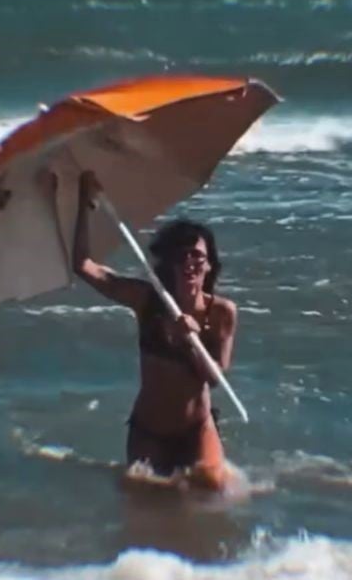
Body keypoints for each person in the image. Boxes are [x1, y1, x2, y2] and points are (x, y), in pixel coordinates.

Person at [71, 172, 238, 491]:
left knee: (213, 488)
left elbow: (216, 378)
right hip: (150, 430)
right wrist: (84, 204)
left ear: (209, 265)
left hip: (196, 428)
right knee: (145, 496)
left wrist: (189, 342)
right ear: (169, 263)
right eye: (182, 256)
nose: (190, 263)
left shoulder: (221, 312)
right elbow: (83, 266)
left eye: (198, 257)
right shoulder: (146, 300)